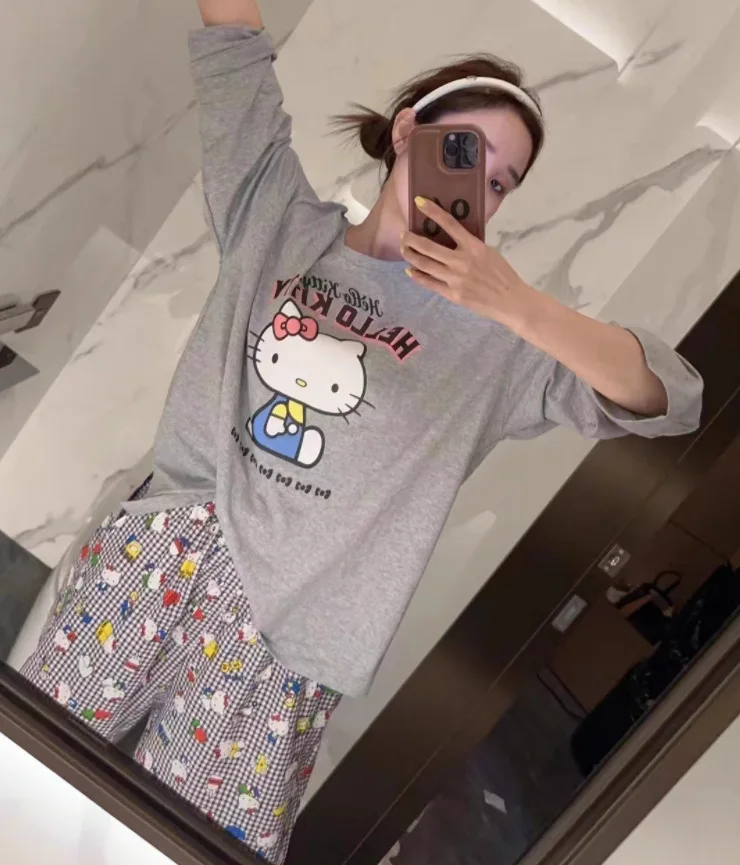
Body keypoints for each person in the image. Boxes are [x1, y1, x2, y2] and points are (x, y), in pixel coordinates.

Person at [19, 1, 703, 862]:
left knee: (178, 849)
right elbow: (232, 52)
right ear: (408, 131)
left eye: (502, 182)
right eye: (467, 153)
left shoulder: (498, 344)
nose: (481, 186)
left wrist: (518, 305)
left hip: (287, 643)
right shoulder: (276, 219)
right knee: (20, 768)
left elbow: (670, 397)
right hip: (159, 558)